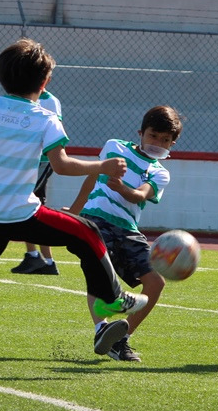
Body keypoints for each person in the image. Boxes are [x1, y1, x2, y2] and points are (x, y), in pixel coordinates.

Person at [0, 38, 148, 374]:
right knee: (86, 231)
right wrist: (102, 167)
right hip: (20, 212)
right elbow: (62, 166)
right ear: (45, 82)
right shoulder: (45, 118)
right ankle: (111, 295)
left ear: (1, 76)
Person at [68, 105, 183, 362]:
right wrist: (74, 213)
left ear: (173, 143)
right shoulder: (114, 147)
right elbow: (92, 177)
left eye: (165, 140)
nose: (158, 143)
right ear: (140, 132)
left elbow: (140, 194)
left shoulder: (160, 173)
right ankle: (101, 329)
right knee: (101, 269)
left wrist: (121, 188)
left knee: (156, 282)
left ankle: (120, 340)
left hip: (128, 230)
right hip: (95, 221)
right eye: (153, 136)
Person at [10, 89, 61, 276]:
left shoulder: (50, 101)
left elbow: (55, 133)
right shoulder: (20, 98)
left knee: (29, 205)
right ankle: (37, 257)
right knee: (27, 206)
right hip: (27, 161)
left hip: (41, 162)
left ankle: (44, 260)